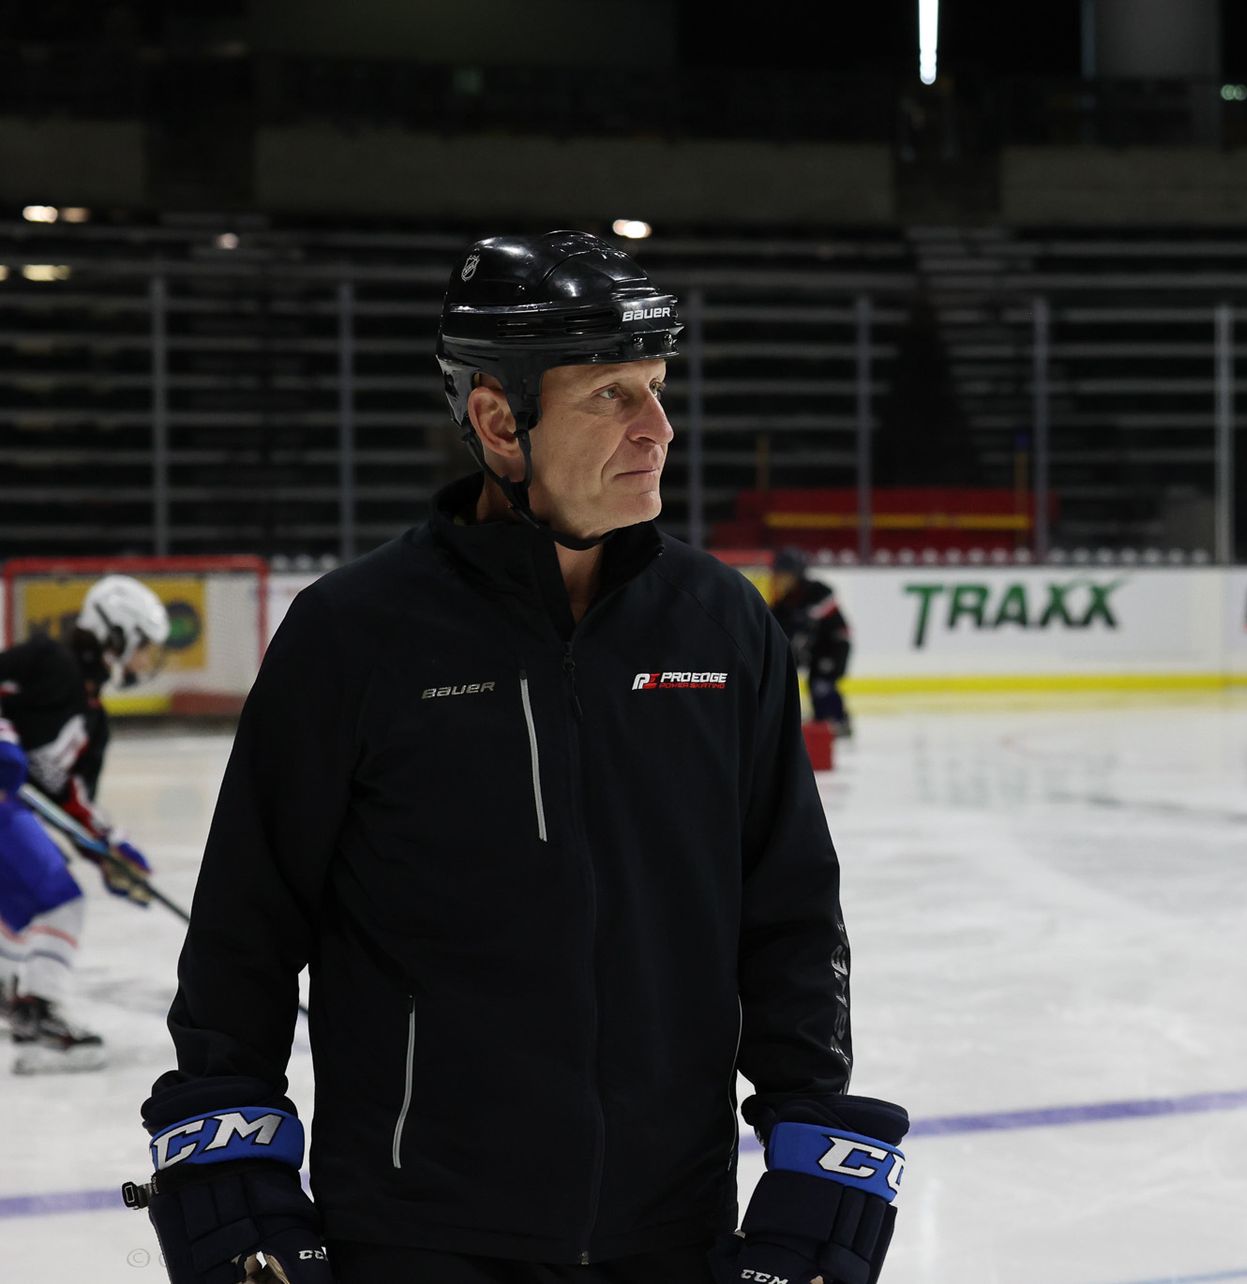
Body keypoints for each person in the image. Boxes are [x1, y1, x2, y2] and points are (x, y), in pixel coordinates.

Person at [136, 231, 907, 1284]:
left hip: (673, 1229)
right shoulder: (355, 636)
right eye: (613, 397)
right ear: (500, 421)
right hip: (419, 1232)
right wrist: (231, 1157)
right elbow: (245, 933)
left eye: (658, 388)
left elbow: (790, 916)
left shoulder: (723, 628)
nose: (660, 429)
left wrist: (814, 1129)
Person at [0, 574, 164, 1073]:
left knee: (28, 904)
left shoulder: (95, 722)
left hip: (10, 807)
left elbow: (71, 798)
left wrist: (109, 848)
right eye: (144, 649)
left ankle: (21, 1001)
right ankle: (38, 1010)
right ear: (118, 634)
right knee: (58, 897)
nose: (145, 662)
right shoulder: (49, 661)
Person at [769, 549, 853, 738]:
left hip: (835, 645)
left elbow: (825, 605)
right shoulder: (784, 602)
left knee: (822, 683)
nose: (780, 579)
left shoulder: (817, 589)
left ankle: (838, 721)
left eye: (785, 574)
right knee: (814, 682)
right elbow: (776, 624)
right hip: (814, 648)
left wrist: (806, 617)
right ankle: (823, 723)